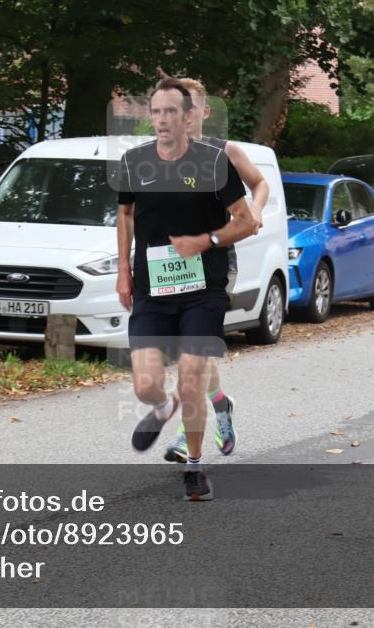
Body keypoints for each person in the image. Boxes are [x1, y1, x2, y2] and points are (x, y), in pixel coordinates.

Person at [116, 77, 254, 501]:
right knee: (144, 383)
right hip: (152, 290)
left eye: (170, 111)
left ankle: (194, 468)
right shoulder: (134, 161)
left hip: (202, 288)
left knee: (191, 378)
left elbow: (245, 221)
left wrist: (205, 241)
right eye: (155, 111)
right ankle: (160, 406)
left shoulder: (214, 163)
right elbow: (125, 214)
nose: (162, 119)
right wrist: (123, 269)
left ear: (187, 115)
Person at [161, 77, 271, 464]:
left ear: (203, 113)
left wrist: (255, 209)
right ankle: (221, 405)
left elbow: (260, 184)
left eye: (190, 110)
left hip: (216, 261)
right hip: (172, 266)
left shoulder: (225, 152)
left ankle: (182, 436)